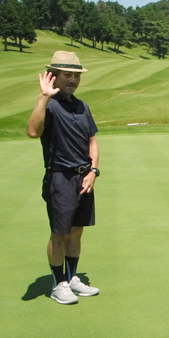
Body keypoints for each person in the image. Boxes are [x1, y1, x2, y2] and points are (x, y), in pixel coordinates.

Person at [27, 51, 101, 304]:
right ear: (54, 76)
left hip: (84, 178)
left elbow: (92, 141)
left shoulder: (82, 106)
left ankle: (71, 278)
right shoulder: (49, 105)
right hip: (60, 177)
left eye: (76, 75)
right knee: (59, 233)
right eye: (67, 75)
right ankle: (58, 283)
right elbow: (32, 131)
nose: (72, 80)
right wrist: (42, 97)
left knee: (76, 231)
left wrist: (93, 171)